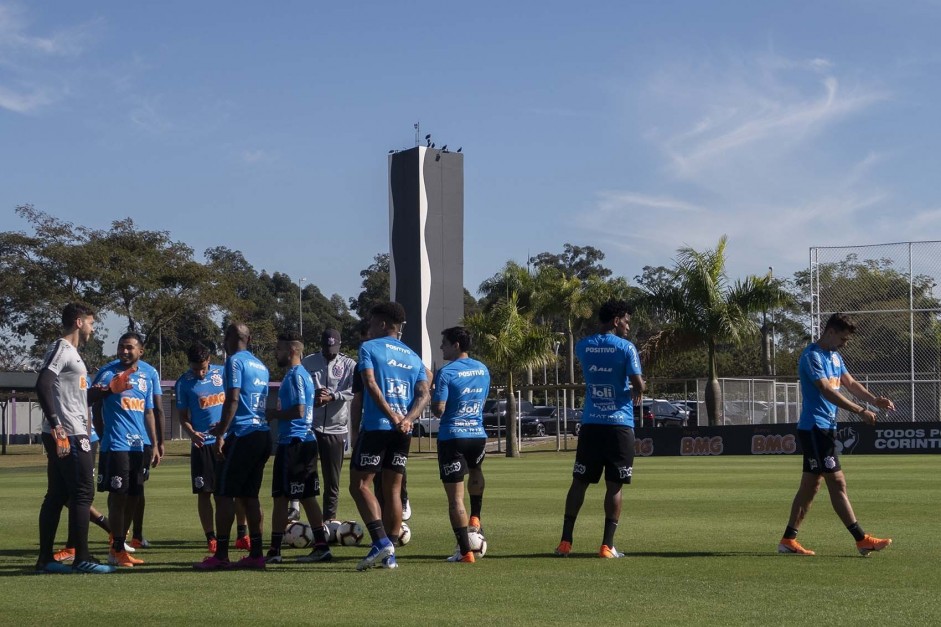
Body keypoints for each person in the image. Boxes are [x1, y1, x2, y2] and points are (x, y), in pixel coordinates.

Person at [778, 312, 894, 557]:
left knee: (811, 486)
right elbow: (826, 392)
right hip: (815, 428)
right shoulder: (812, 357)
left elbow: (850, 384)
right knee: (836, 482)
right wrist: (860, 410)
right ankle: (861, 539)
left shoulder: (835, 356)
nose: (844, 343)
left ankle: (788, 540)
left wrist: (874, 400)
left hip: (825, 428)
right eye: (842, 338)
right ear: (830, 332)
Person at [556, 299, 645, 559]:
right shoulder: (626, 348)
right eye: (626, 321)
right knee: (614, 487)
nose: (628, 326)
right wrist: (637, 388)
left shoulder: (584, 346)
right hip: (619, 425)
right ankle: (607, 546)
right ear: (616, 321)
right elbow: (638, 384)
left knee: (579, 483)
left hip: (592, 424)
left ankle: (565, 542)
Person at [35, 303, 116, 574]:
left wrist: (107, 390)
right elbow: (42, 384)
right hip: (68, 432)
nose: (93, 329)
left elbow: (80, 399)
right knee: (83, 492)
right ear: (79, 322)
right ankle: (82, 556)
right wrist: (57, 425)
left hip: (71, 429)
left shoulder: (74, 355)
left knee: (58, 494)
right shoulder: (61, 348)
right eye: (91, 323)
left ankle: (46, 559)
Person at [348, 302, 430, 570]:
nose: (368, 328)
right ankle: (390, 554)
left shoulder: (369, 348)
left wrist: (392, 415)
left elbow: (370, 384)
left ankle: (382, 541)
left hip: (377, 426)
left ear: (382, 324)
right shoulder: (413, 356)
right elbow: (423, 393)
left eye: (371, 323)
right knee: (393, 489)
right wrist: (407, 419)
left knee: (360, 485)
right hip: (403, 431)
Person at [194, 322, 270, 570]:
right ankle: (257, 554)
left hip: (244, 434)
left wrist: (221, 434)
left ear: (230, 338)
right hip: (262, 434)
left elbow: (234, 399)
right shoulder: (261, 366)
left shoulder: (234, 362)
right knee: (250, 495)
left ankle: (222, 555)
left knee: (224, 493)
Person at [91, 331, 161, 568]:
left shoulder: (148, 375)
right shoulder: (108, 371)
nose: (124, 351)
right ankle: (117, 548)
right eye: (121, 346)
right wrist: (103, 434)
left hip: (138, 446)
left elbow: (149, 411)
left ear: (140, 351)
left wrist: (153, 443)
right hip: (117, 444)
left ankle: (119, 545)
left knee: (134, 496)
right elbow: (91, 400)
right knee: (118, 496)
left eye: (130, 347)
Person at [266, 332, 332, 564]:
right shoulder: (302, 374)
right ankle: (322, 546)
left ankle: (274, 551)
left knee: (281, 498)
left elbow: (300, 411)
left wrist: (273, 414)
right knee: (307, 496)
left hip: (294, 441)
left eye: (280, 349)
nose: (277, 353)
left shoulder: (295, 375)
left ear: (292, 351)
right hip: (305, 441)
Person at [431, 326, 490, 563]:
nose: (441, 347)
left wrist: (433, 396)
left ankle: (465, 552)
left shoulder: (446, 372)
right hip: (477, 434)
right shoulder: (483, 369)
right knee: (476, 471)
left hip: (453, 436)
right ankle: (475, 516)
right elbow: (482, 400)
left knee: (455, 498)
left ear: (456, 345)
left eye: (444, 343)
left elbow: (439, 410)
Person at [299, 328, 357, 524]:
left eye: (333, 347)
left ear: (339, 345)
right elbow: (300, 388)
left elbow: (354, 391)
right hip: (311, 428)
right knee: (305, 475)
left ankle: (329, 521)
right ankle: (302, 518)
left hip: (337, 429)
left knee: (332, 481)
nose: (329, 351)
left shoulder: (349, 364)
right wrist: (313, 396)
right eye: (326, 347)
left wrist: (332, 396)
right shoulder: (308, 362)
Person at [175, 343, 225, 554]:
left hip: (226, 441)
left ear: (209, 361)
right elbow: (183, 417)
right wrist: (191, 433)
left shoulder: (223, 374)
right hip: (202, 444)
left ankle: (241, 535)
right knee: (205, 493)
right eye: (196, 369)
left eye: (203, 368)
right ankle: (211, 537)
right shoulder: (183, 383)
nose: (200, 373)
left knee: (229, 493)